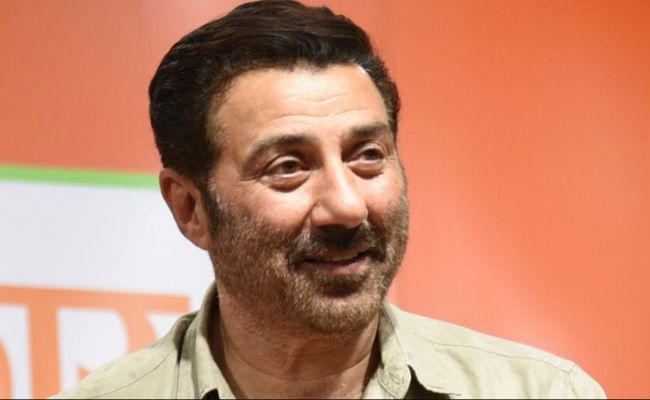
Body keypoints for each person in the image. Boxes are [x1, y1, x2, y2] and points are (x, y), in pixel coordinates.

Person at [54, 1, 606, 398]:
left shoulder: (542, 391)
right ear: (190, 209)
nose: (347, 206)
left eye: (367, 155)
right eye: (288, 167)